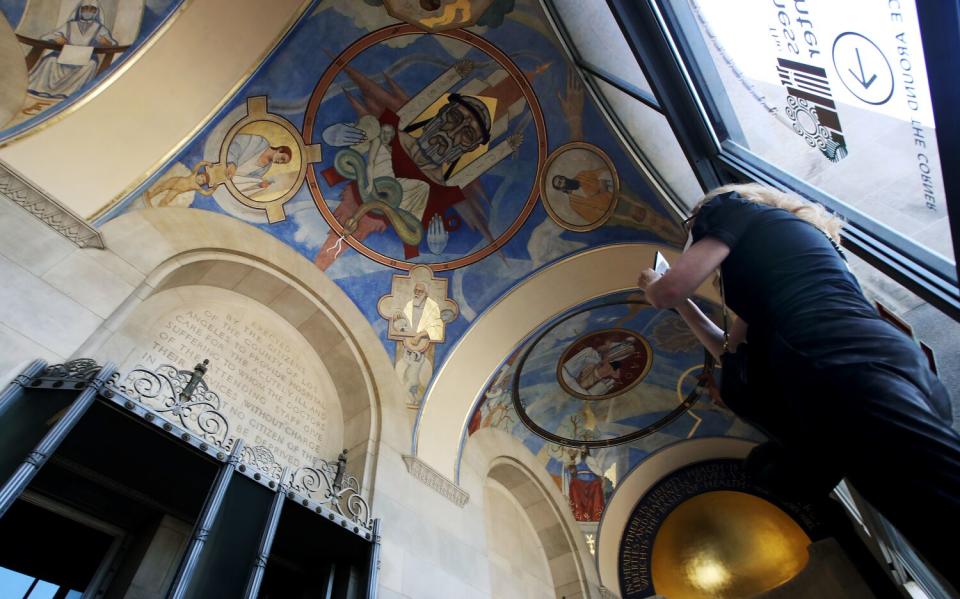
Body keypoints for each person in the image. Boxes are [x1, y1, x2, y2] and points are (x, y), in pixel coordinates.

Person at [637, 183, 960, 584]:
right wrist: (684, 304)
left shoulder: (730, 207)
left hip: (840, 365)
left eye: (691, 226)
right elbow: (730, 348)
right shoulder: (788, 255)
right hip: (867, 364)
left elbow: (668, 289)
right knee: (928, 509)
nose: (693, 234)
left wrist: (655, 283)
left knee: (940, 505)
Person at [27, 0, 117, 99]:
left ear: (96, 12)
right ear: (79, 10)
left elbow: (113, 44)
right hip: (65, 55)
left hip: (85, 57)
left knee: (91, 65)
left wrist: (106, 42)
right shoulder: (69, 25)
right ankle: (41, 89)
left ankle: (69, 92)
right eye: (85, 9)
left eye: (91, 9)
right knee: (50, 60)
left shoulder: (100, 28)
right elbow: (45, 37)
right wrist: (56, 38)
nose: (88, 12)